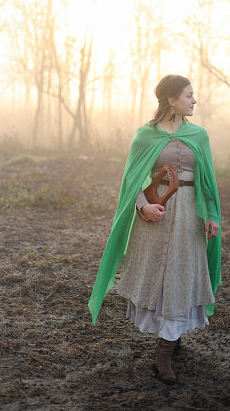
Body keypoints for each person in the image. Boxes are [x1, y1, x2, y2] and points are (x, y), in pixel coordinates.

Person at [88, 74, 221, 385]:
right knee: (159, 278)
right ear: (171, 100)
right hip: (155, 217)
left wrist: (212, 214)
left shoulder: (199, 135)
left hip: (189, 216)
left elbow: (208, 181)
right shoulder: (145, 136)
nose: (194, 100)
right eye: (189, 95)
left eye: (193, 94)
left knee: (181, 274)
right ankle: (169, 341)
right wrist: (142, 207)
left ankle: (165, 349)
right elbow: (131, 182)